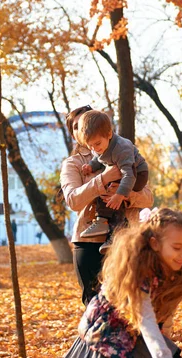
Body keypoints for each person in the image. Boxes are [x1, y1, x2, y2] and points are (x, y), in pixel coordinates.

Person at [59, 208, 182, 358]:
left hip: (140, 328)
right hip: (107, 331)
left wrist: (167, 349)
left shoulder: (177, 269)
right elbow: (145, 319)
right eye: (177, 247)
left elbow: (163, 310)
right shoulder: (138, 273)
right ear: (154, 244)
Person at [60, 105, 153, 306]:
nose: (83, 128)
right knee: (95, 308)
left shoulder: (121, 151)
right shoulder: (73, 164)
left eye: (86, 121)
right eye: (76, 126)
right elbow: (73, 201)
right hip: (88, 241)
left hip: (124, 240)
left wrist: (124, 195)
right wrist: (103, 179)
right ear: (74, 133)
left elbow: (148, 198)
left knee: (130, 304)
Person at [78, 111, 149, 253]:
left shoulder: (122, 148)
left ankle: (117, 232)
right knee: (103, 185)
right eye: (90, 146)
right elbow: (99, 158)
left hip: (137, 174)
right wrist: (91, 166)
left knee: (113, 191)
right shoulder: (98, 145)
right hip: (124, 172)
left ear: (109, 134)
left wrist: (120, 195)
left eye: (97, 144)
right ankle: (102, 220)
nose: (95, 148)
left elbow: (129, 175)